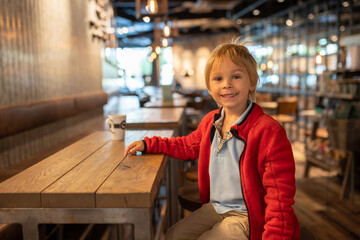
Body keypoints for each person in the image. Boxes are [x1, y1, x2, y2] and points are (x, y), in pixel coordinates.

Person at [125, 39, 300, 240]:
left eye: (236, 76)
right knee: (173, 235)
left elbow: (280, 199)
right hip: (216, 207)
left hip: (248, 216)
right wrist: (150, 144)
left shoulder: (269, 131)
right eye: (218, 79)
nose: (227, 84)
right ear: (209, 87)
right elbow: (187, 145)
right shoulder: (211, 121)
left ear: (252, 82)